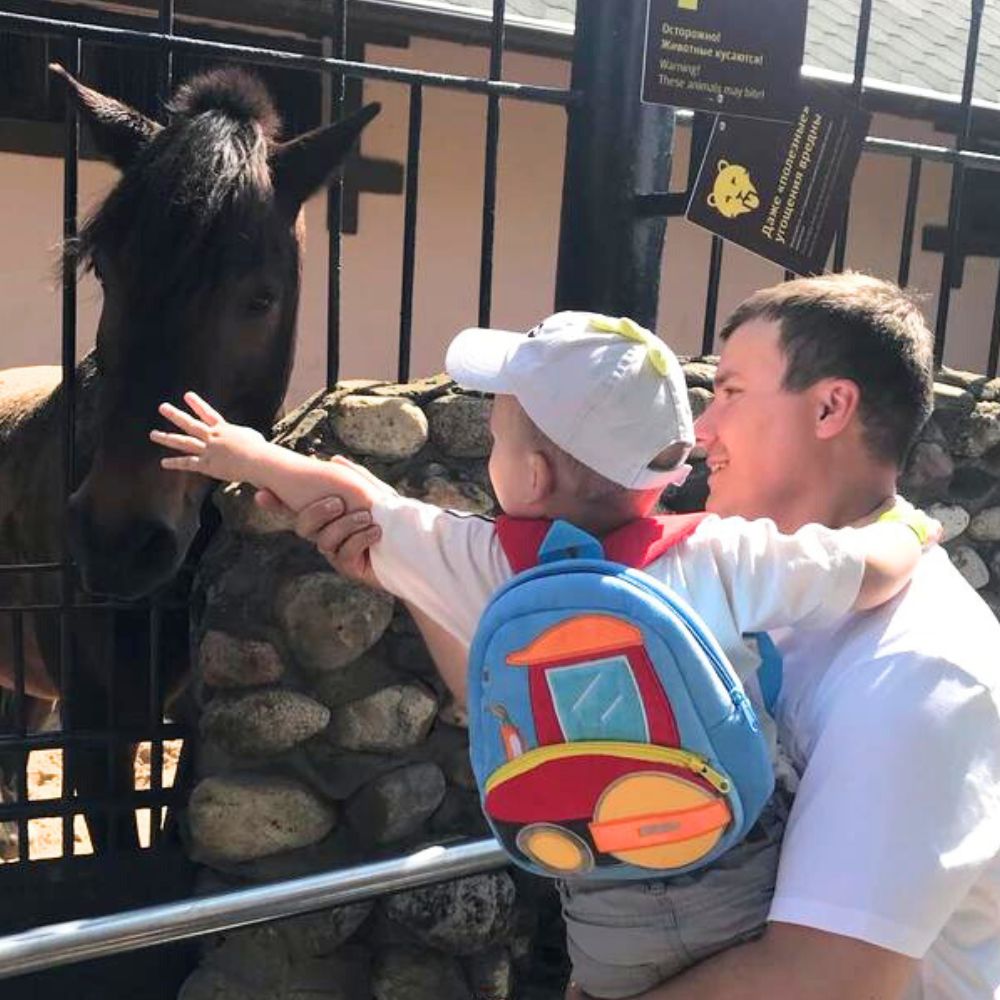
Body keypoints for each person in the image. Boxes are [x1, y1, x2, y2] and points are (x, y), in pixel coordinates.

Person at [153, 308, 939, 999]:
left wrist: (246, 452)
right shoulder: (725, 556)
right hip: (737, 855)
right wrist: (909, 530)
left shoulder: (485, 565)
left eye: (496, 438)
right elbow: (866, 574)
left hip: (599, 883)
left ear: (529, 474)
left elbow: (359, 501)